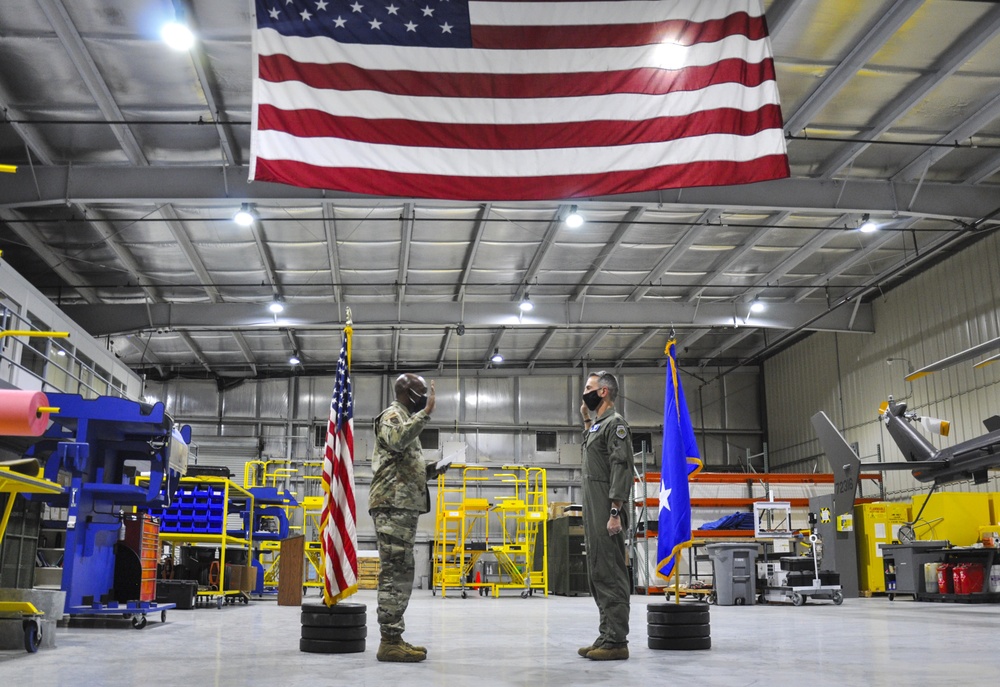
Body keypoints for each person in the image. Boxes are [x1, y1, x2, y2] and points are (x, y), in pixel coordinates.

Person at [369, 373, 445, 663]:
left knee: (401, 571)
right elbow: (398, 441)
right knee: (394, 572)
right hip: (392, 506)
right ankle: (388, 640)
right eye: (423, 392)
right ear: (408, 393)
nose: (426, 397)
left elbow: (399, 465)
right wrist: (426, 414)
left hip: (401, 505)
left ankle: (394, 637)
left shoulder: (404, 418)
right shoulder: (392, 416)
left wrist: (430, 470)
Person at [577, 370, 633, 661]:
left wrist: (615, 513)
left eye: (588, 387)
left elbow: (620, 469)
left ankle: (617, 641)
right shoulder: (598, 426)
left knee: (611, 573)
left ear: (604, 392)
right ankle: (606, 634)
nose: (583, 392)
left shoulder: (616, 424)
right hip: (593, 508)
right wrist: (586, 418)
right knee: (598, 573)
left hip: (607, 509)